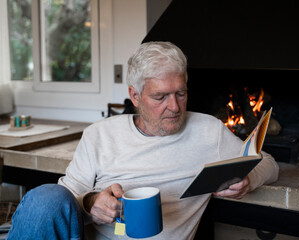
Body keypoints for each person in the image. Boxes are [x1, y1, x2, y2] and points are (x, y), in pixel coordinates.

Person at [7, 41, 279, 240]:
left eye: (181, 93)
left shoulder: (208, 131)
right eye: (160, 97)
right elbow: (63, 201)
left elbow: (267, 162)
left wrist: (248, 180)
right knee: (45, 198)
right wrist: (91, 203)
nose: (174, 107)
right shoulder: (100, 135)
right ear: (135, 96)